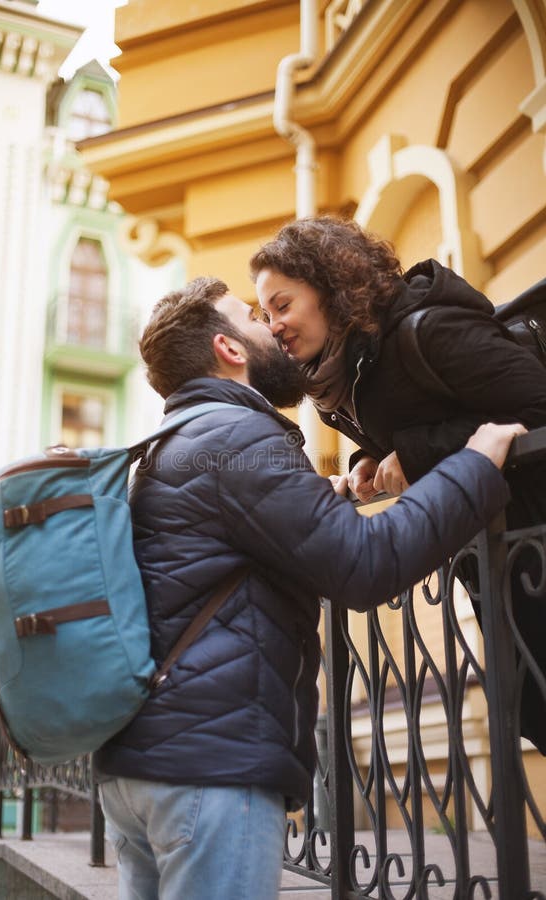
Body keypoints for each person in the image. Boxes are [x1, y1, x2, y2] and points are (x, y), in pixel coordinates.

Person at [94, 275, 523, 900]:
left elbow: (216, 560)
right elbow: (364, 563)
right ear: (229, 349)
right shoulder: (238, 439)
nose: (272, 326)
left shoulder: (172, 445)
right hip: (209, 771)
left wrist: (309, 506)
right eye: (252, 317)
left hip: (139, 768)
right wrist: (473, 465)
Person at [250, 215, 546, 753]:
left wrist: (414, 454)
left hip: (534, 534)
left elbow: (537, 404)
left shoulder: (426, 328)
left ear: (330, 288)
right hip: (499, 555)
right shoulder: (342, 377)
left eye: (283, 305)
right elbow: (437, 416)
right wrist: (375, 457)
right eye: (264, 313)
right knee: (532, 704)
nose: (273, 326)